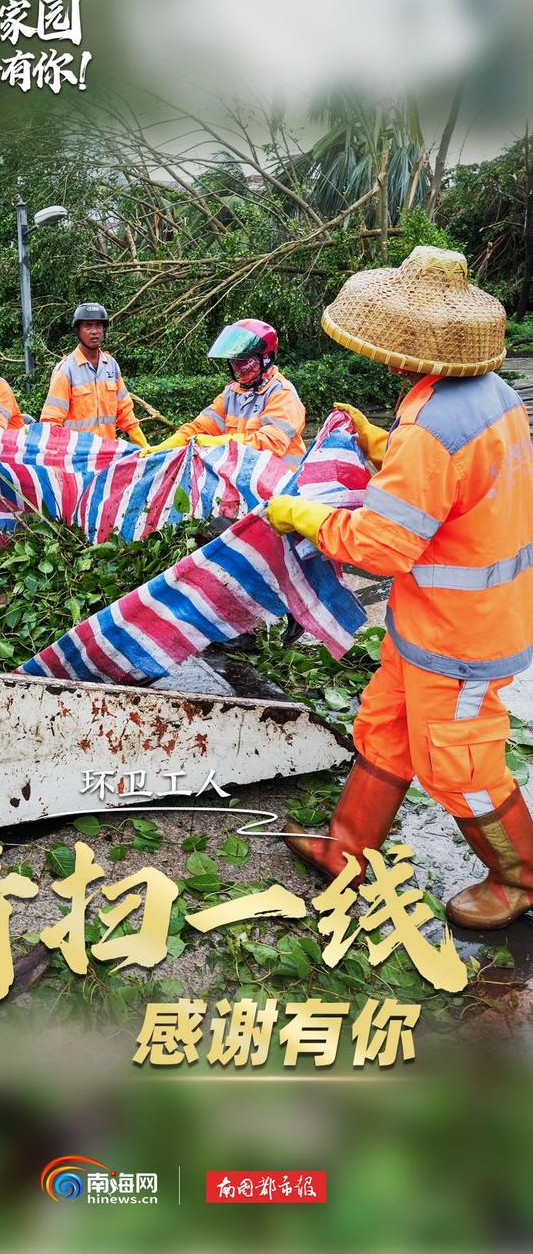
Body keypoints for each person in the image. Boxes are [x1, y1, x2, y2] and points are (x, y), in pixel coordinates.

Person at [266, 245, 533, 931]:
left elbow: (379, 545)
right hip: (430, 623)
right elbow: (462, 488)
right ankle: (347, 848)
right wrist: (386, 448)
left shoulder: (433, 428)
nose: (384, 355)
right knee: (385, 730)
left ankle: (520, 876)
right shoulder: (489, 394)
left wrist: (308, 514)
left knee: (462, 768)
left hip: (462, 639)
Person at [140, 319, 306, 464]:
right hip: (247, 482)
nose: (238, 366)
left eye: (244, 361)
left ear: (265, 358)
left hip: (284, 486)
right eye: (234, 361)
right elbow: (200, 427)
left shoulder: (282, 394)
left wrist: (218, 443)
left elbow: (270, 443)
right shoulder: (232, 393)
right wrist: (165, 447)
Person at [39, 303, 148, 447]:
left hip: (107, 455)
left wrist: (145, 447)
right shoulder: (66, 370)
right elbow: (51, 422)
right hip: (77, 458)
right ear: (77, 331)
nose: (94, 331)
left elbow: (125, 413)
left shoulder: (111, 366)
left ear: (104, 330)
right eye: (88, 326)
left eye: (98, 326)